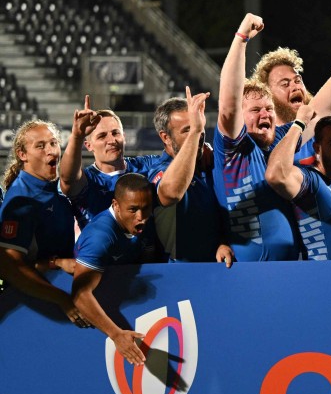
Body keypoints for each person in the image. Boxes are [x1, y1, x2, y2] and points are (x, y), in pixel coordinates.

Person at [213, 11, 331, 261]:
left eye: (269, 109)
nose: (265, 114)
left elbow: (321, 108)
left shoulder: (280, 140)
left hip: (288, 273)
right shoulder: (232, 148)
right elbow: (228, 104)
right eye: (255, 110)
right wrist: (241, 39)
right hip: (243, 275)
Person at [0, 120, 84, 326]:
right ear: (22, 154)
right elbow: (10, 267)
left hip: (59, 295)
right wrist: (61, 298)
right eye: (40, 146)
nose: (51, 151)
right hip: (33, 307)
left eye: (54, 143)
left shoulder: (54, 187)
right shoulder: (21, 199)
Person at [72, 173, 159, 365]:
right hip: (94, 326)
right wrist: (116, 335)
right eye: (133, 210)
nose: (141, 217)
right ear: (116, 205)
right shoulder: (100, 237)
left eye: (146, 209)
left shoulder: (145, 221)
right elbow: (80, 295)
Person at [145, 88, 234, 264]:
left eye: (199, 125)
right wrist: (195, 131)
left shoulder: (208, 163)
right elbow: (170, 193)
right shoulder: (160, 169)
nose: (200, 134)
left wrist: (222, 242)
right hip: (180, 276)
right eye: (187, 129)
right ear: (166, 138)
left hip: (219, 271)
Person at [265, 104, 331, 260]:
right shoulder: (310, 181)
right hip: (320, 278)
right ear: (317, 149)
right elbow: (275, 174)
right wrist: (299, 124)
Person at [59, 99, 161, 228]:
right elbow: (67, 179)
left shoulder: (146, 165)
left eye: (115, 133)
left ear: (124, 137)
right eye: (102, 136)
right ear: (88, 146)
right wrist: (76, 136)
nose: (111, 140)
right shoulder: (87, 180)